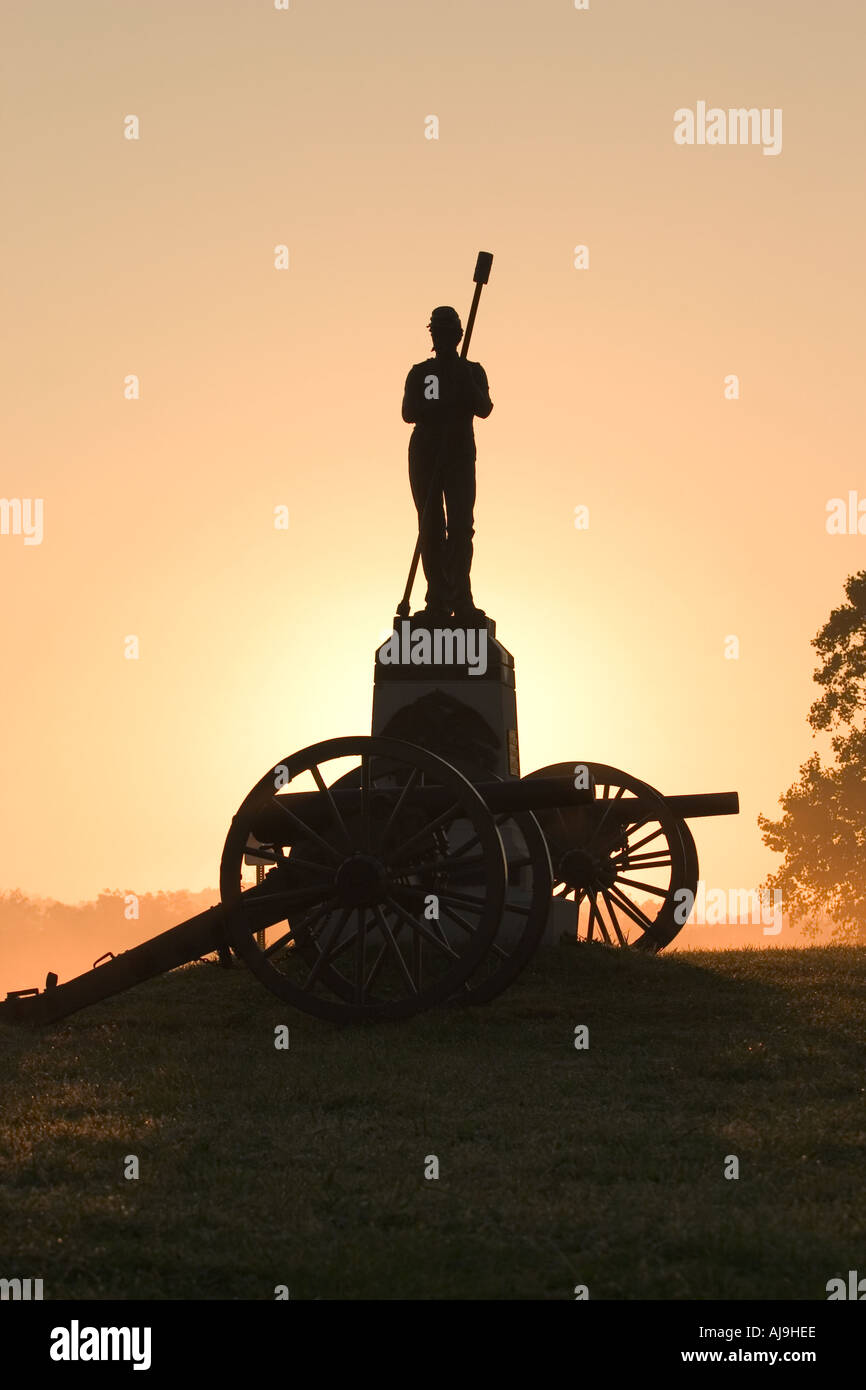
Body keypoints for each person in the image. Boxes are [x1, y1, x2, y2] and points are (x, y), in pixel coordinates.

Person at [401, 305, 493, 624]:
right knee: (430, 525)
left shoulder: (472, 370)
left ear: (458, 335)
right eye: (436, 332)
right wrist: (440, 408)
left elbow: (484, 408)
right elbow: (408, 412)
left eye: (447, 331)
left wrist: (463, 382)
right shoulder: (420, 373)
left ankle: (461, 596)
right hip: (426, 450)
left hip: (459, 452)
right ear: (432, 335)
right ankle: (436, 599)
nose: (441, 337)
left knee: (460, 526)